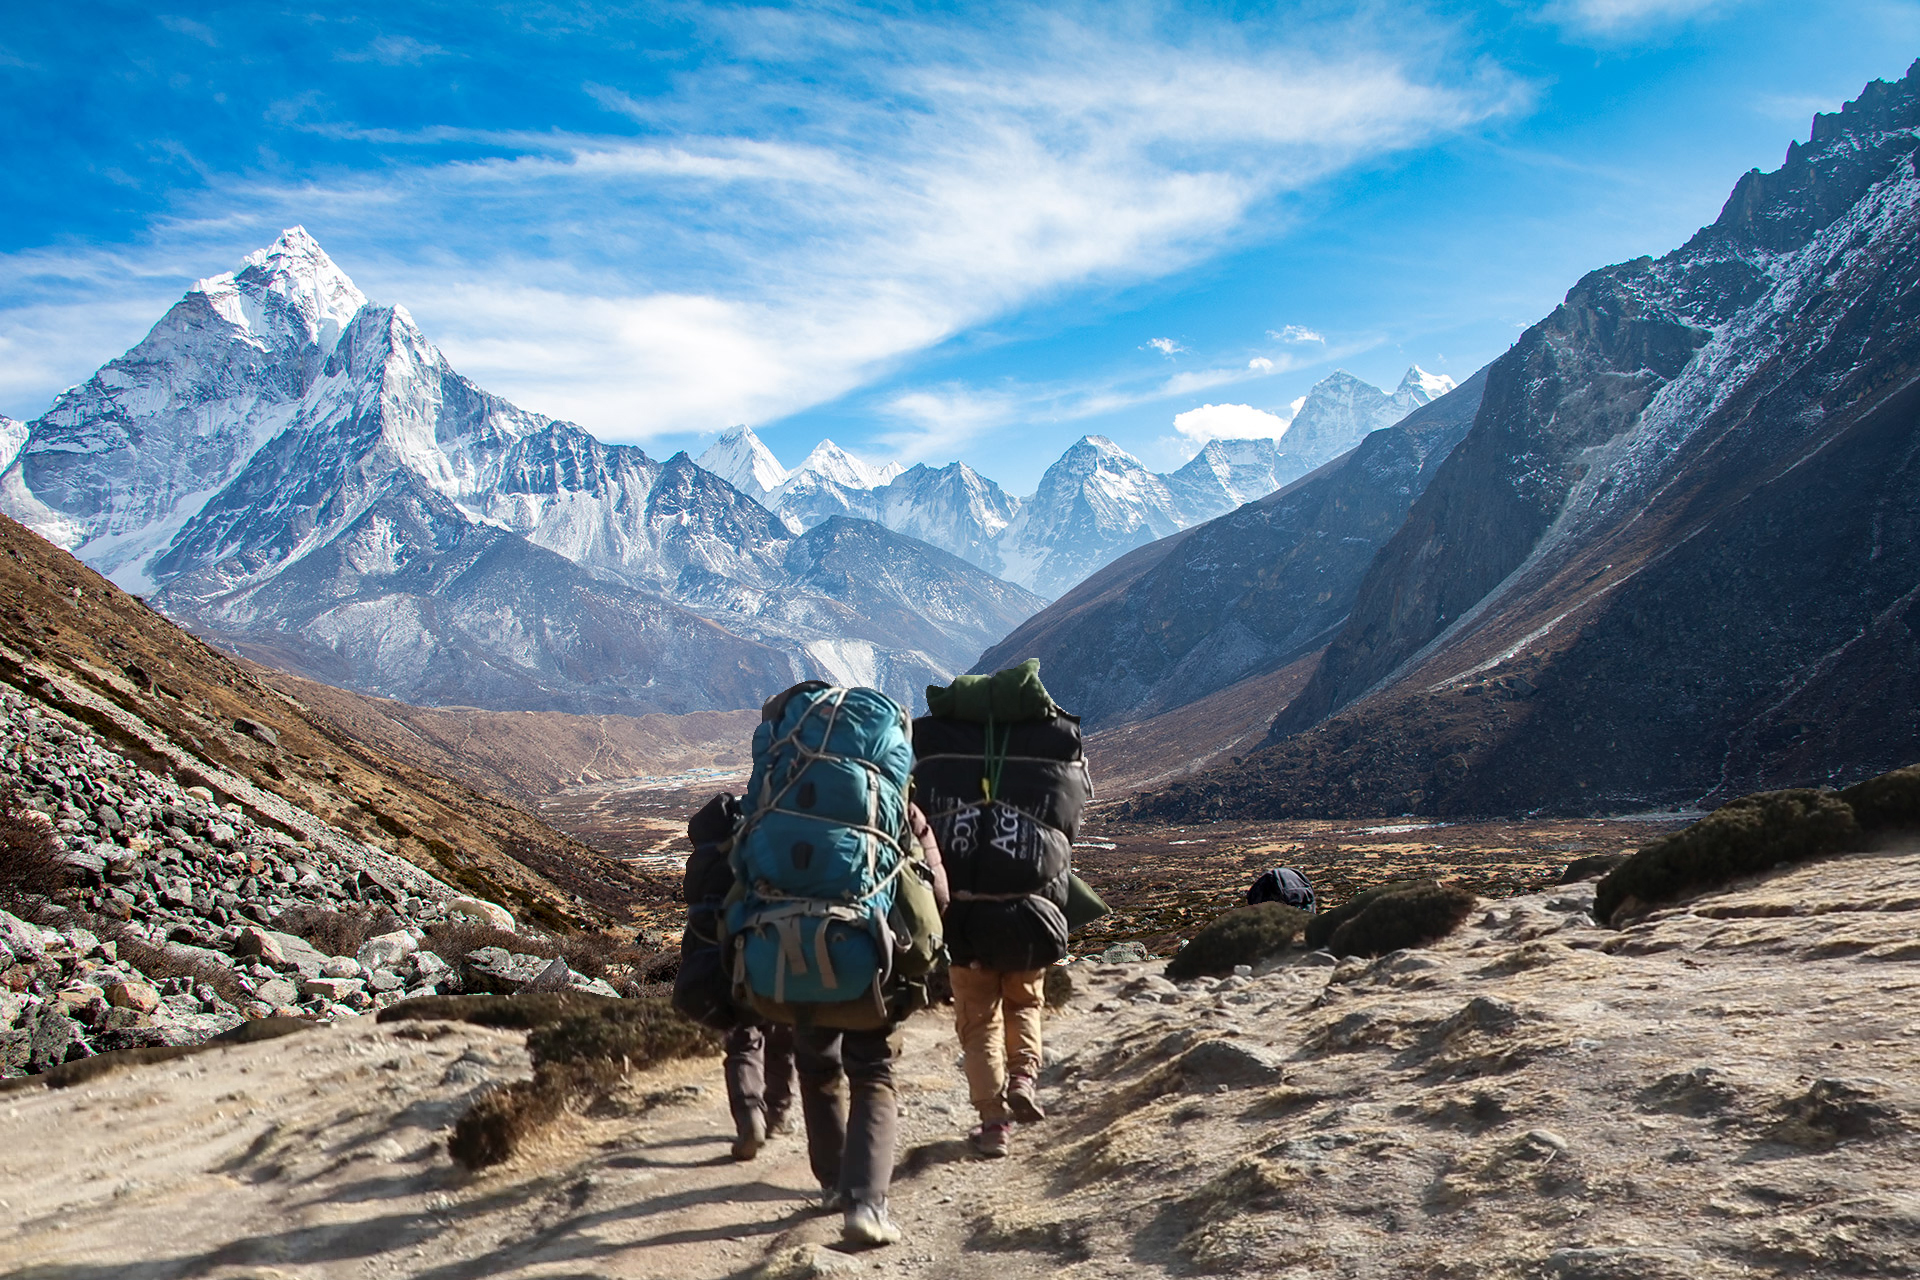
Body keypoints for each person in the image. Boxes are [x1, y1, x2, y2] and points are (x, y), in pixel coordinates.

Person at [789, 798, 947, 1245]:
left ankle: (832, 1183)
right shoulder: (894, 800)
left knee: (816, 1068)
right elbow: (938, 894)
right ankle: (866, 1205)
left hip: (797, 956)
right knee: (872, 1072)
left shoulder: (785, 785)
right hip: (872, 961)